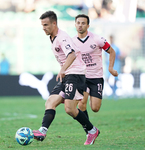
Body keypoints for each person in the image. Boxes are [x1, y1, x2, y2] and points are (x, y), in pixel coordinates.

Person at [33, 11, 100, 145]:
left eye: (46, 25)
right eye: (42, 25)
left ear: (54, 23)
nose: (43, 28)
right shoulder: (52, 36)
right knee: (50, 103)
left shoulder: (62, 37)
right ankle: (42, 131)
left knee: (70, 109)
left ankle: (92, 131)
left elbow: (72, 54)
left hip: (75, 74)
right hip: (67, 75)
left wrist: (63, 69)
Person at [72, 14, 118, 119]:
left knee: (95, 108)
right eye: (78, 23)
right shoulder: (72, 42)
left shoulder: (97, 39)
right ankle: (89, 130)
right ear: (75, 25)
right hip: (82, 76)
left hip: (96, 77)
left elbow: (112, 51)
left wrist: (110, 68)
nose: (80, 25)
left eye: (83, 23)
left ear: (88, 26)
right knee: (82, 103)